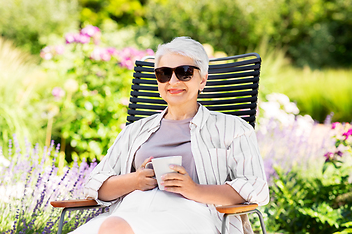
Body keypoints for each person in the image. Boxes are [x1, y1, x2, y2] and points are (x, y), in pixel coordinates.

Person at [72, 37, 269, 234]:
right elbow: (94, 184)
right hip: (130, 211)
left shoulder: (234, 129)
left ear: (203, 80)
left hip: (193, 216)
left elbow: (256, 187)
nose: (173, 81)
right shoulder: (135, 130)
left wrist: (195, 190)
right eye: (164, 73)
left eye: (185, 73)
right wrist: (135, 180)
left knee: (114, 228)